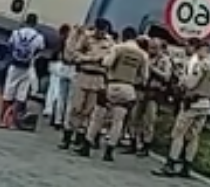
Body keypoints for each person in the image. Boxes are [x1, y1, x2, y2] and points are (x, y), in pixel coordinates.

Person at [155, 40, 210, 178]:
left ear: (202, 50)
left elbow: (191, 84)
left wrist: (183, 79)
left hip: (192, 103)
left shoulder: (201, 65)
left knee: (178, 134)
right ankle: (187, 167)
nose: (197, 54)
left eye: (198, 51)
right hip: (205, 105)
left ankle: (170, 164)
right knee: (193, 137)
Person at [77, 26, 148, 161]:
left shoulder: (118, 48)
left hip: (112, 84)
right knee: (118, 121)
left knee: (98, 116)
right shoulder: (142, 55)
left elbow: (107, 63)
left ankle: (87, 145)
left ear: (123, 36)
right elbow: (144, 76)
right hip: (128, 88)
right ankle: (109, 151)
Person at [60, 18, 114, 150]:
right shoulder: (86, 37)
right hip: (84, 74)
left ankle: (80, 137)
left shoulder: (110, 42)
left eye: (104, 31)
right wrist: (90, 58)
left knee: (89, 110)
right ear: (96, 28)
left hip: (98, 77)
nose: (101, 33)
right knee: (76, 107)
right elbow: (75, 54)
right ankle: (67, 136)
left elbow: (109, 58)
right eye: (99, 30)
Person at [0, 13, 45, 128]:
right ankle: (13, 122)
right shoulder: (38, 37)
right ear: (35, 23)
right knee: (21, 96)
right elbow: (40, 50)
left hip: (14, 66)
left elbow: (10, 46)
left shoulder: (16, 33)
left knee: (8, 93)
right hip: (27, 68)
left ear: (25, 21)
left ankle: (1, 119)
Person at [127, 37, 173, 157]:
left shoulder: (165, 60)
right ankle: (133, 142)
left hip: (154, 93)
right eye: (150, 47)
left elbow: (167, 76)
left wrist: (152, 69)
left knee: (149, 120)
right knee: (133, 117)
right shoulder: (144, 56)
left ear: (160, 48)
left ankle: (146, 146)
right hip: (140, 90)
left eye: (155, 47)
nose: (152, 49)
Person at [43, 24, 73, 128]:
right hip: (61, 66)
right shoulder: (67, 42)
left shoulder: (57, 40)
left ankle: (48, 109)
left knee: (51, 88)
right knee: (58, 90)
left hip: (53, 64)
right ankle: (53, 111)